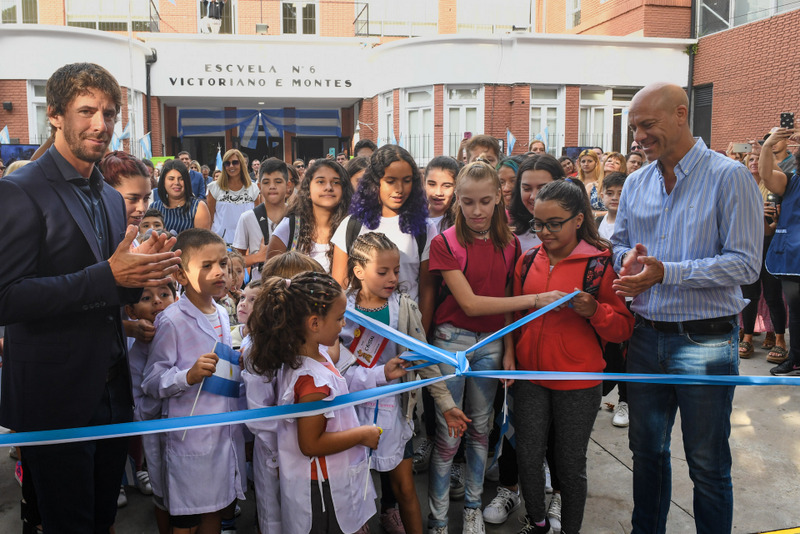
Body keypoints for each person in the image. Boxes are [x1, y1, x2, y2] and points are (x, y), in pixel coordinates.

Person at [0, 62, 181, 532]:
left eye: (109, 112)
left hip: (112, 391)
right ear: (56, 115)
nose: (100, 124)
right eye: (86, 111)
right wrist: (109, 276)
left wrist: (140, 276)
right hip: (55, 396)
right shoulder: (19, 191)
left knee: (101, 522)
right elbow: (8, 299)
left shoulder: (106, 195)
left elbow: (109, 289)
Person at [612, 82, 762, 534]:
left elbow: (745, 264)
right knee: (647, 454)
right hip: (645, 336)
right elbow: (618, 244)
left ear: (681, 114)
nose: (638, 137)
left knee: (707, 462)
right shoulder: (637, 182)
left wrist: (667, 273)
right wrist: (628, 261)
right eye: (634, 127)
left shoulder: (728, 177)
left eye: (647, 125)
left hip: (707, 342)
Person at [514, 179, 633, 534]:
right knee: (528, 457)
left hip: (579, 382)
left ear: (578, 219)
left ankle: (570, 529)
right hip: (530, 378)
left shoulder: (599, 265)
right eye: (538, 223)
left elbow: (622, 329)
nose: (544, 232)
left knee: (570, 465)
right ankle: (536, 521)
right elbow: (516, 319)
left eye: (554, 223)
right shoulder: (526, 261)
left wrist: (595, 310)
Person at [427, 161, 539, 534]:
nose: (477, 211)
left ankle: (473, 507)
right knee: (448, 435)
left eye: (485, 201)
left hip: (492, 346)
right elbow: (471, 303)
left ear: (499, 200)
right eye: (469, 202)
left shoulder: (511, 244)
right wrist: (536, 299)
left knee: (481, 431)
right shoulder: (444, 243)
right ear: (457, 200)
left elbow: (506, 298)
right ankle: (439, 518)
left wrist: (508, 350)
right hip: (451, 342)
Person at [340, 232, 468, 534]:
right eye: (382, 272)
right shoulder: (342, 310)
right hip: (350, 414)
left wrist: (447, 405)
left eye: (396, 271)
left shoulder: (405, 308)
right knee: (352, 492)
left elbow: (426, 360)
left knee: (406, 490)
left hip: (396, 413)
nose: (392, 278)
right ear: (358, 271)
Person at [246, 272, 389, 534]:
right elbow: (311, 444)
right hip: (322, 490)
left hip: (326, 481)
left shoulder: (314, 355)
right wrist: (362, 434)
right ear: (314, 323)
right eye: (338, 318)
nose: (343, 323)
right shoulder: (312, 383)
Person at [142, 228, 247, 533]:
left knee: (215, 508)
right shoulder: (171, 320)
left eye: (223, 264)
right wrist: (187, 376)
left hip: (222, 432)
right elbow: (151, 381)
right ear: (181, 275)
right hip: (190, 436)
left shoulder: (223, 315)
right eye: (206, 265)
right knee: (186, 518)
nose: (219, 272)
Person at [331, 145, 432, 306]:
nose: (399, 189)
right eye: (390, 181)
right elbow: (339, 288)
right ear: (375, 182)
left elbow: (427, 291)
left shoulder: (425, 228)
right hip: (358, 327)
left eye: (407, 181)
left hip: (405, 327)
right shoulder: (351, 225)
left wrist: (421, 331)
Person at [125, 281, 177, 534]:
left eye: (164, 294)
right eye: (146, 298)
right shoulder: (136, 356)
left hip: (189, 432)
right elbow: (138, 410)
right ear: (131, 312)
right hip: (158, 437)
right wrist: (166, 388)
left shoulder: (181, 335)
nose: (157, 301)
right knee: (164, 495)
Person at [737, 152, 788, 362]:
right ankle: (747, 336)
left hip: (769, 245)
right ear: (745, 165)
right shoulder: (741, 188)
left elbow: (772, 228)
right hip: (747, 246)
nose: (755, 162)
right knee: (749, 294)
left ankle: (779, 339)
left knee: (772, 294)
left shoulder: (774, 189)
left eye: (758, 158)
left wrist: (767, 219)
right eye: (750, 159)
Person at [759, 127, 800, 375]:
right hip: (792, 259)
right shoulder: (791, 181)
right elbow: (765, 174)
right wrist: (767, 146)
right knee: (796, 314)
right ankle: (796, 361)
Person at [267, 159, 353, 272]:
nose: (328, 187)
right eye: (321, 182)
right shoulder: (290, 227)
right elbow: (270, 279)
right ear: (308, 190)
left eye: (336, 182)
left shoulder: (352, 227)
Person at [233, 157, 289, 281]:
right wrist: (258, 257)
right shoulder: (247, 218)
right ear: (259, 186)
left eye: (278, 181)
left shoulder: (297, 217)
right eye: (266, 182)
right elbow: (234, 260)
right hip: (259, 289)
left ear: (288, 185)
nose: (272, 186)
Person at [508, 154, 565, 253]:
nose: (533, 196)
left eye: (543, 188)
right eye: (527, 189)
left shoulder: (573, 230)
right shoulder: (510, 232)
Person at [207, 148, 260, 244]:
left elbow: (257, 218)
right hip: (220, 243)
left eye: (235, 162)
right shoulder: (214, 188)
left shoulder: (253, 188)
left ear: (242, 164)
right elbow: (210, 218)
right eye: (227, 163)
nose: (231, 166)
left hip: (246, 242)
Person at [151, 158, 212, 234]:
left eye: (181, 179)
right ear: (163, 182)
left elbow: (203, 243)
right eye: (171, 179)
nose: (176, 182)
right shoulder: (154, 208)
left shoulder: (198, 208)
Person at [425, 155, 459, 231]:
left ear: (456, 187)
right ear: (424, 183)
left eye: (446, 186)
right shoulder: (412, 218)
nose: (438, 193)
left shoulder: (460, 223)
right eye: (432, 184)